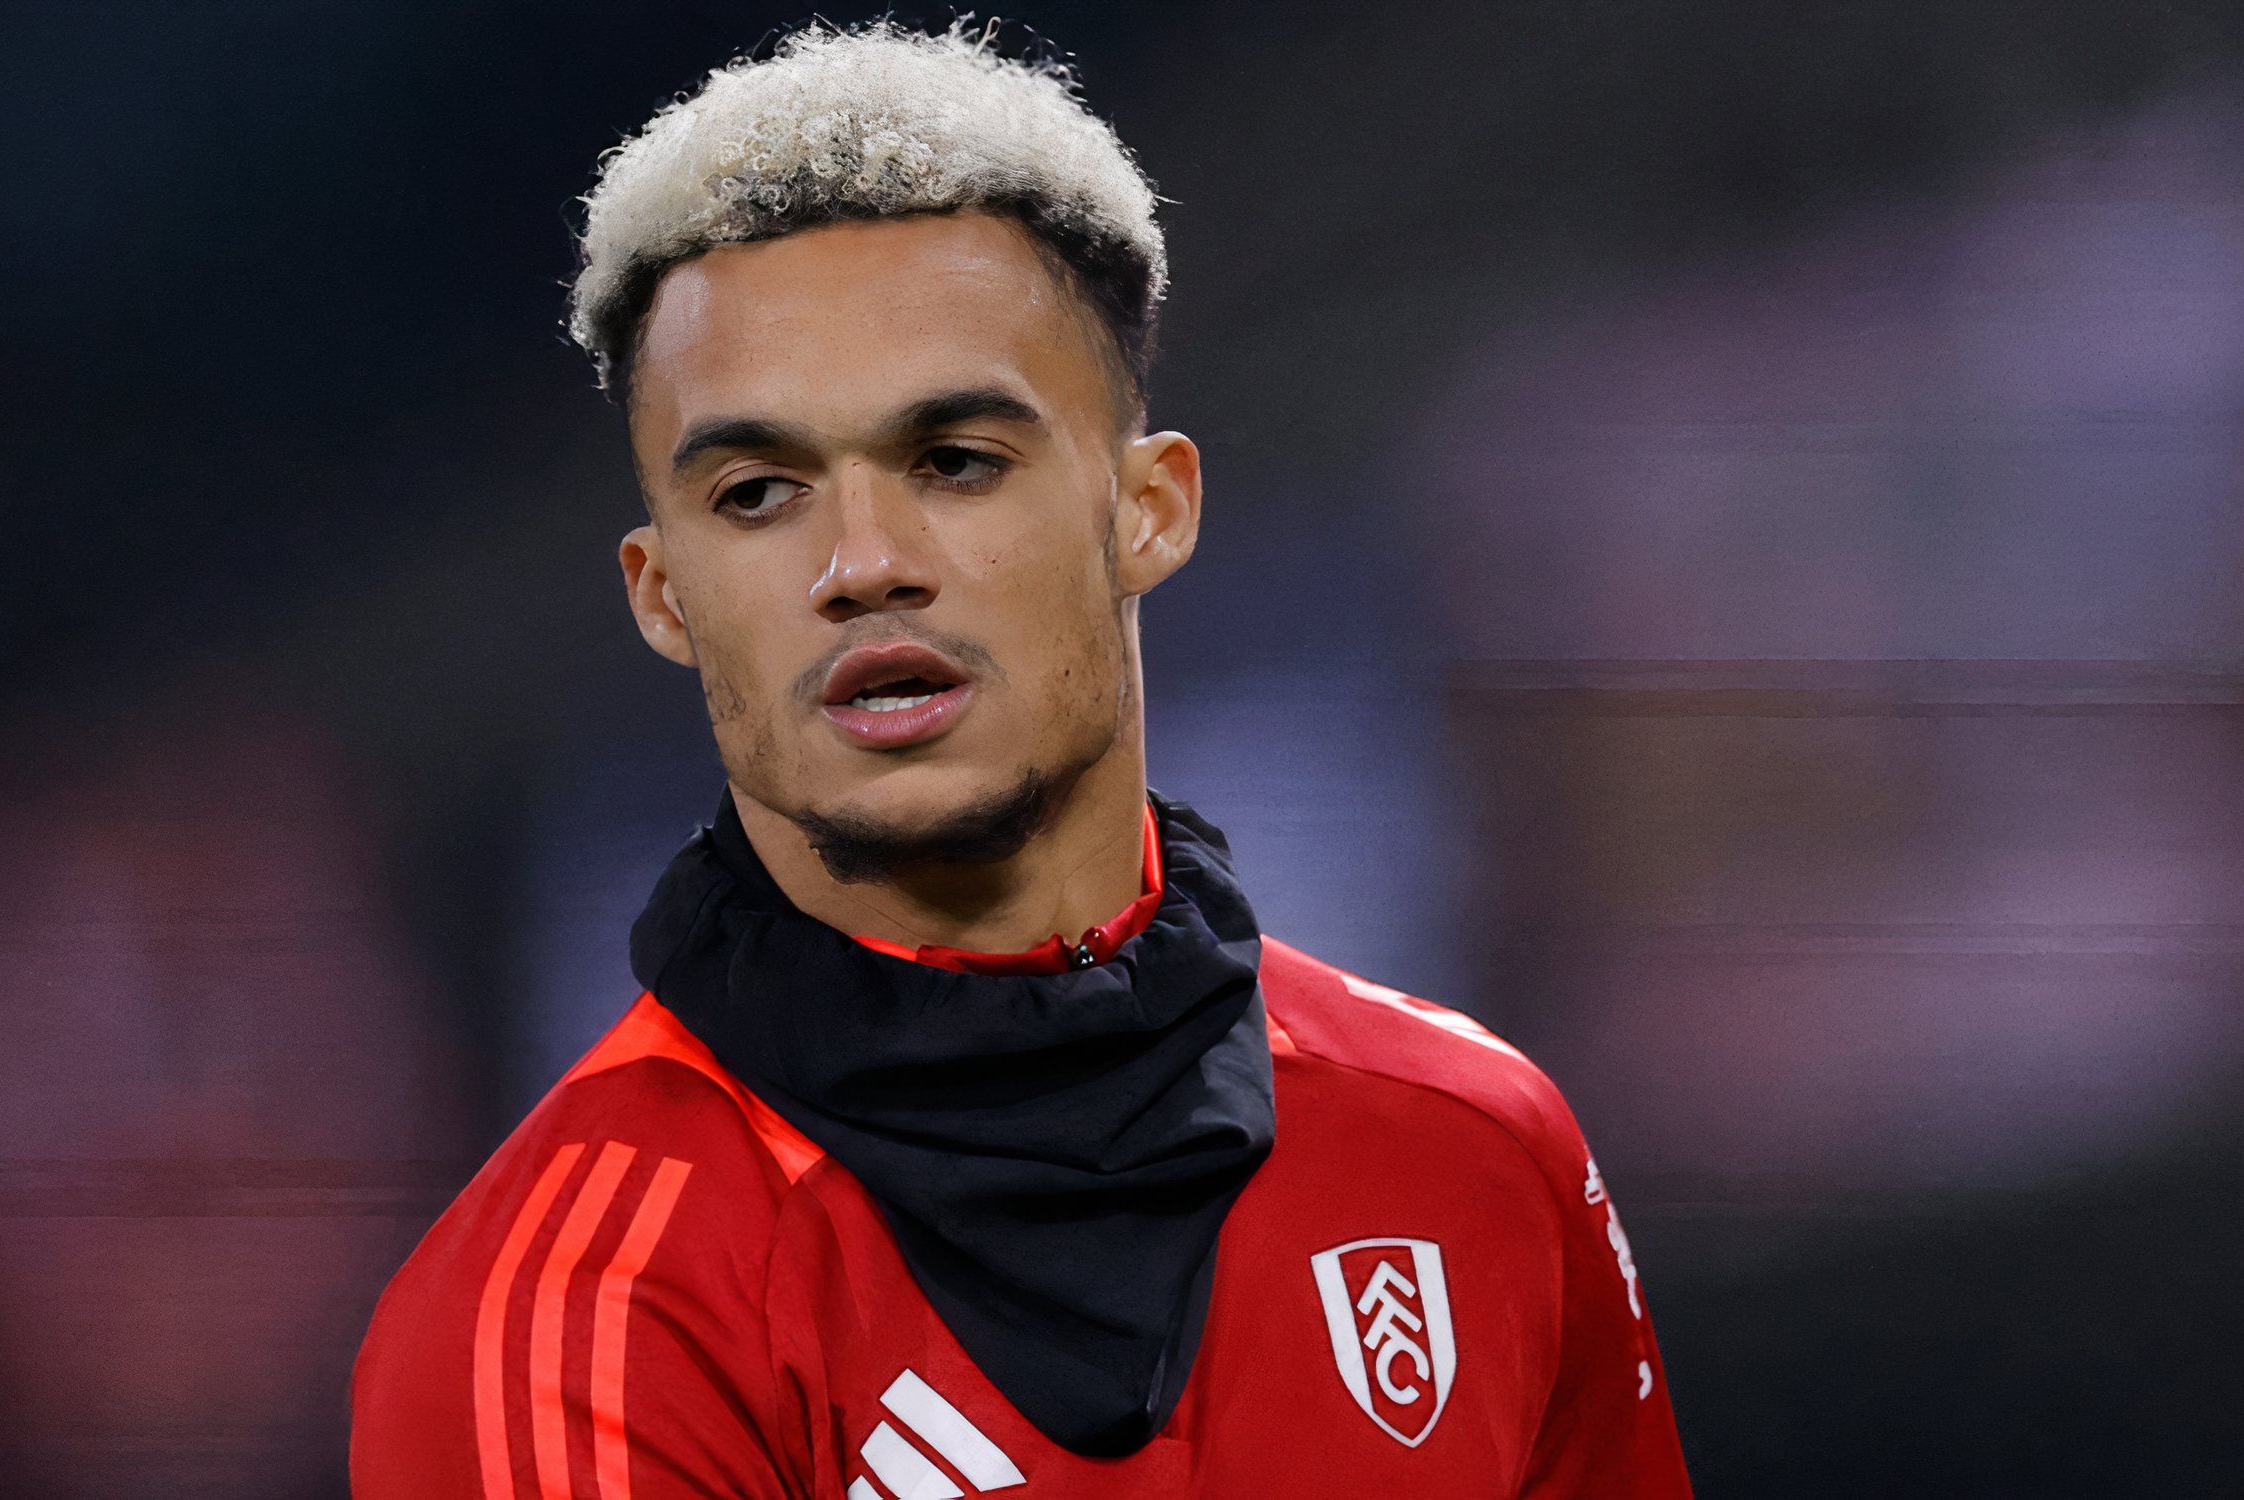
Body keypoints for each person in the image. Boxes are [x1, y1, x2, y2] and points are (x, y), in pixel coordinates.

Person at [350, 21, 1690, 1497]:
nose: (862, 564)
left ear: (1150, 510)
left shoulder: (1473, 1140)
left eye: (956, 462)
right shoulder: (580, 1309)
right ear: (663, 596)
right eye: (756, 493)